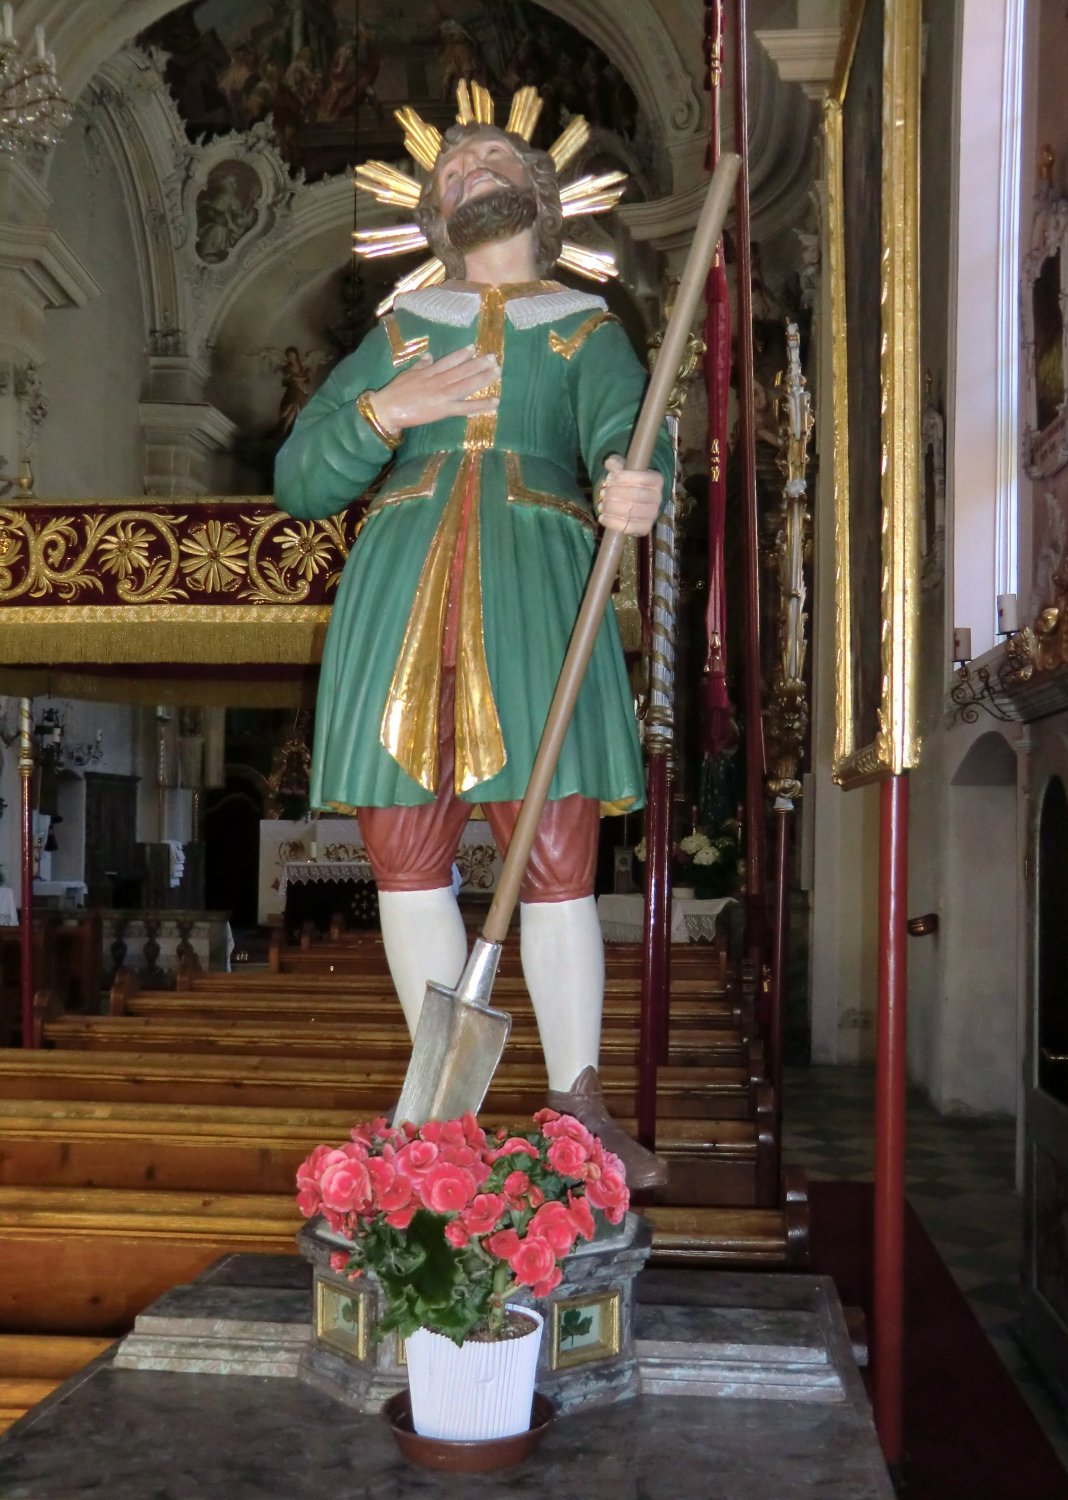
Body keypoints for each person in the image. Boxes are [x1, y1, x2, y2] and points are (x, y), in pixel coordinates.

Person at [275, 117, 673, 1188]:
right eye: (451, 169)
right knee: (405, 849)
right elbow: (304, 479)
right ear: (433, 215)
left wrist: (635, 481)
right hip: (400, 589)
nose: (469, 172)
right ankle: (440, 1108)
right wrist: (380, 412)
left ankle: (578, 1099)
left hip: (534, 587)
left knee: (554, 853)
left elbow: (628, 431)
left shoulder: (586, 329)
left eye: (492, 161)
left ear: (541, 196)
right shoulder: (402, 329)